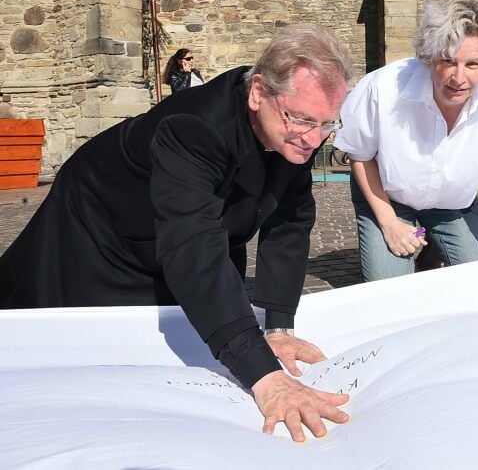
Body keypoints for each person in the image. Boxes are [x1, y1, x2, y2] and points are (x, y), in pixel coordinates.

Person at [0, 26, 353, 442]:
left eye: (328, 123)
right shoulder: (195, 126)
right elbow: (194, 248)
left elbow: (290, 218)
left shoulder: (293, 126)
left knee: (193, 335)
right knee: (89, 361)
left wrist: (277, 325)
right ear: (258, 92)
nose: (314, 139)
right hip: (103, 227)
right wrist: (266, 377)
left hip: (191, 227)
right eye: (303, 120)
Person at [334, 0, 478, 311]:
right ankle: (411, 235)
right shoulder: (383, 87)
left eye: (472, 64)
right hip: (389, 196)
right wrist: (388, 223)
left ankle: (433, 247)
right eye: (448, 61)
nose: (459, 77)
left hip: (452, 205)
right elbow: (360, 156)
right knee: (392, 296)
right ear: (429, 58)